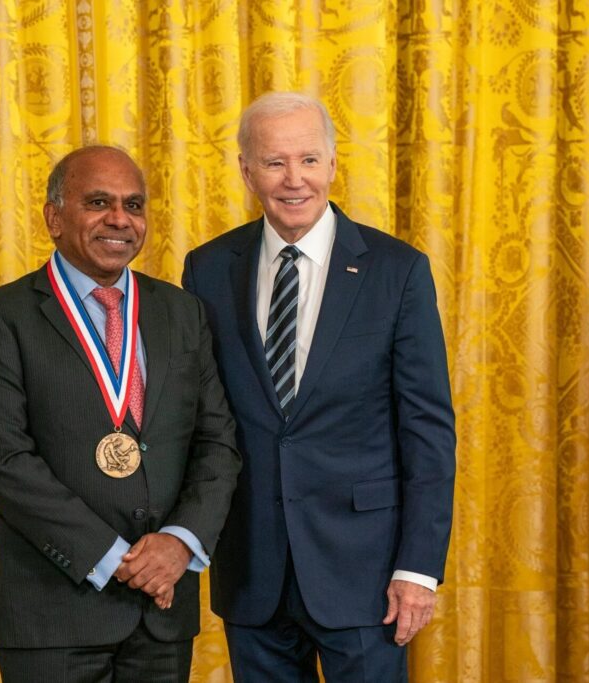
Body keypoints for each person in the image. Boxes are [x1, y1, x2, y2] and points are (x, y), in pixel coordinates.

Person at [182, 92, 456, 682]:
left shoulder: (397, 270)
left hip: (367, 573)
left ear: (332, 164)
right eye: (274, 162)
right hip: (252, 568)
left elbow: (428, 429)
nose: (294, 179)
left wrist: (418, 568)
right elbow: (201, 416)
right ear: (246, 171)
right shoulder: (207, 268)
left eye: (308, 159)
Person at [0, 145, 241, 683]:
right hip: (52, 617)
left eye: (133, 205)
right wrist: (115, 559)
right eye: (98, 202)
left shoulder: (182, 312)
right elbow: (4, 460)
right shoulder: (1, 317)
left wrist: (179, 543)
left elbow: (217, 443)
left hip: (162, 612)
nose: (119, 219)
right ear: (54, 218)